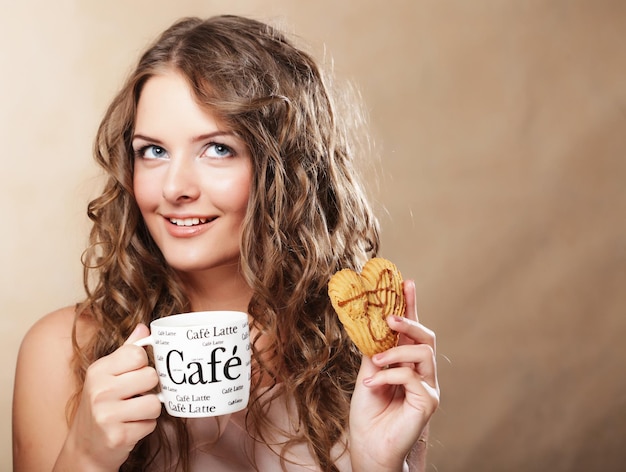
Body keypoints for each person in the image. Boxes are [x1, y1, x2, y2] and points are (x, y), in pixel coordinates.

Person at [12, 14, 439, 472]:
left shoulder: (362, 358)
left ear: (284, 172)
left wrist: (380, 465)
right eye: (152, 151)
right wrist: (85, 457)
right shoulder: (61, 352)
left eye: (217, 148)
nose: (175, 187)